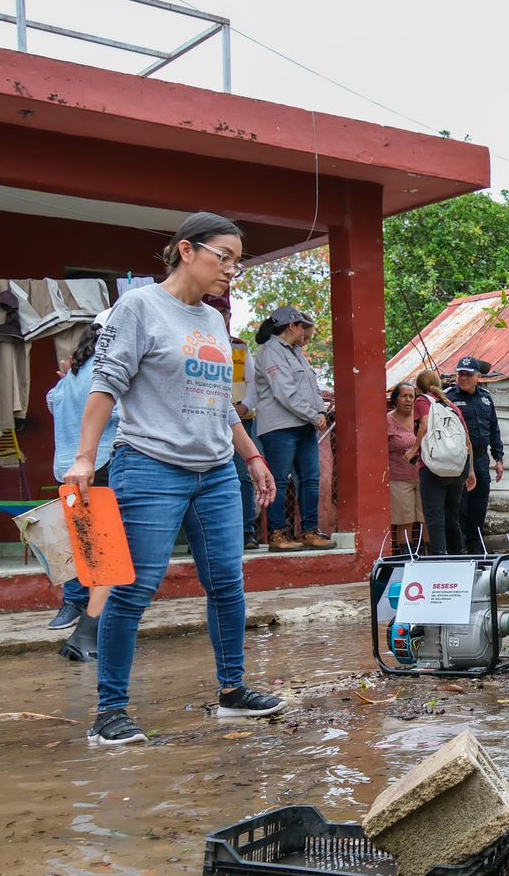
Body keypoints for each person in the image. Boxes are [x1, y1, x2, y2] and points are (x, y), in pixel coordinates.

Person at [66, 211, 285, 747]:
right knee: (133, 590)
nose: (232, 269)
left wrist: (253, 458)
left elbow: (220, 403)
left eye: (238, 260)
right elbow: (106, 384)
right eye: (223, 256)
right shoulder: (139, 307)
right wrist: (83, 459)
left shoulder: (212, 321)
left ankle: (233, 692)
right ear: (187, 250)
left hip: (214, 473)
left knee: (228, 585)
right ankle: (110, 712)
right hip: (151, 465)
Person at [44, 317, 118, 662]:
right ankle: (88, 632)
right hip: (99, 463)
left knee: (85, 545)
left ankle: (77, 612)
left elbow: (50, 402)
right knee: (106, 553)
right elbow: (112, 413)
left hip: (66, 468)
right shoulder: (105, 370)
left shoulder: (73, 373)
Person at [255, 306, 335, 553]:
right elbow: (285, 392)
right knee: (278, 481)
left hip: (304, 425)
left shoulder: (296, 352)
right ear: (293, 326)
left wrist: (320, 412)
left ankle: (309, 531)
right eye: (304, 332)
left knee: (311, 479)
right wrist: (314, 415)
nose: (306, 338)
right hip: (280, 427)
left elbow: (312, 389)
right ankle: (278, 534)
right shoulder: (271, 351)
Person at [410, 368, 475, 556]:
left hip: (433, 467)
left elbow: (424, 423)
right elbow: (467, 440)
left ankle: (439, 556)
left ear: (418, 387)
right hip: (457, 468)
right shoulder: (451, 405)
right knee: (452, 515)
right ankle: (458, 554)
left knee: (434, 515)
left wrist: (414, 449)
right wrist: (470, 471)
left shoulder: (422, 400)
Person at [445, 356, 503, 552]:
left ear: (478, 377)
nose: (463, 378)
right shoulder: (449, 398)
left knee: (479, 503)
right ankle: (458, 548)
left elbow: (494, 429)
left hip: (481, 458)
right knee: (460, 505)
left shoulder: (486, 397)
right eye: (460, 373)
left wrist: (499, 458)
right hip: (458, 460)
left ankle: (475, 546)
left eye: (468, 375)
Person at [219, 298, 262, 551]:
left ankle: (247, 532)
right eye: (218, 310)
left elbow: (253, 382)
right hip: (209, 417)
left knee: (242, 475)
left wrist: (245, 405)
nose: (223, 315)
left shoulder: (239, 347)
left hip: (240, 419)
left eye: (225, 311)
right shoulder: (197, 342)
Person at [385, 380, 424, 554]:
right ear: (395, 399)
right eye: (404, 396)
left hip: (425, 477)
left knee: (426, 519)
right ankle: (406, 556)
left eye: (411, 396)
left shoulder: (422, 418)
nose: (408, 400)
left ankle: (427, 555)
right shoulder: (387, 421)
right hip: (399, 479)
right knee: (405, 520)